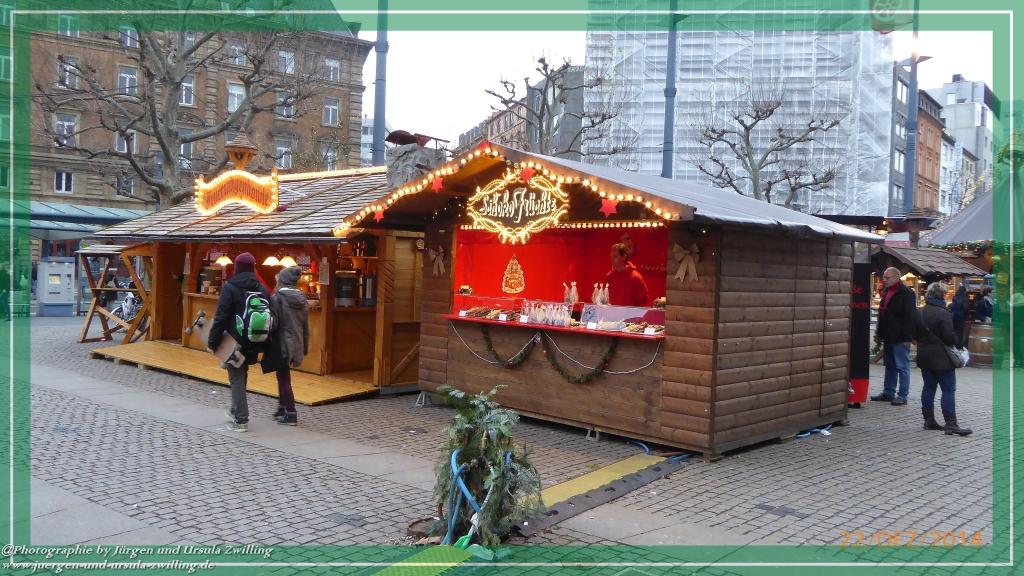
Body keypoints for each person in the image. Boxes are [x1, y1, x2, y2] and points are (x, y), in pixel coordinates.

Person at [208, 252, 271, 433]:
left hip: (234, 340)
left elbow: (221, 316)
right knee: (241, 374)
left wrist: (213, 342)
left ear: (237, 267)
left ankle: (241, 419)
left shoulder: (231, 287)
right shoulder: (261, 287)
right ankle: (236, 410)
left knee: (236, 377)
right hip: (255, 339)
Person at [915, 282, 972, 436]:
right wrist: (956, 339)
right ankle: (951, 423)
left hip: (924, 355)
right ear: (942, 295)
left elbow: (914, 334)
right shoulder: (943, 313)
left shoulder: (920, 312)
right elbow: (949, 338)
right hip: (942, 357)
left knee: (928, 388)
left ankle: (929, 420)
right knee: (948, 390)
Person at [262, 266, 309, 426]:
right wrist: (305, 346)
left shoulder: (277, 298)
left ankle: (290, 411)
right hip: (296, 341)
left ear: (282, 280)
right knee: (282, 374)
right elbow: (305, 326)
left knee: (283, 377)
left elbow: (274, 323)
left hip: (282, 341)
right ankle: (282, 407)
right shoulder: (302, 298)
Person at [871, 267, 917, 406]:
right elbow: (882, 313)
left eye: (887, 277)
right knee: (889, 365)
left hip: (900, 336)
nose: (884, 280)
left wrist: (907, 337)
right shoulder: (886, 291)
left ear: (896, 277)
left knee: (902, 366)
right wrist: (879, 334)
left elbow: (910, 316)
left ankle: (902, 395)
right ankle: (888, 392)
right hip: (888, 335)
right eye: (884, 277)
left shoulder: (906, 293)